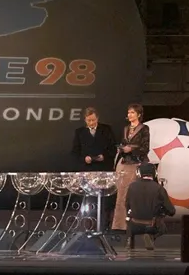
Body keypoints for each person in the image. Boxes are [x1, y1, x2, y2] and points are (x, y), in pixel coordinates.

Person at [111, 103, 150, 231]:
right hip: (124, 163)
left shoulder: (144, 129)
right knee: (121, 195)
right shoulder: (126, 128)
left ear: (139, 114)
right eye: (129, 112)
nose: (130, 115)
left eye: (132, 112)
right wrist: (122, 148)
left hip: (136, 164)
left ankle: (138, 224)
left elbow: (145, 148)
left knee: (134, 195)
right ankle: (120, 225)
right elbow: (124, 143)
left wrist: (131, 149)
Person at [124, 163, 176, 250]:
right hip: (152, 225)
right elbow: (171, 211)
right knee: (163, 228)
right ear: (155, 173)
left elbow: (127, 205)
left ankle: (129, 240)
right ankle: (150, 237)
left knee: (130, 219)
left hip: (134, 225)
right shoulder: (159, 188)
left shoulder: (132, 186)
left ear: (139, 173)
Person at [72, 107, 117, 171]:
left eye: (93, 120)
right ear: (85, 120)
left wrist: (104, 156)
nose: (91, 123)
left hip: (104, 167)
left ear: (97, 118)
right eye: (89, 120)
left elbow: (113, 148)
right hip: (86, 169)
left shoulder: (107, 129)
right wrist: (84, 159)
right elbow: (75, 151)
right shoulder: (79, 132)